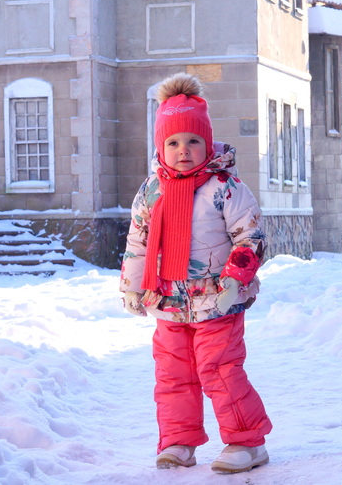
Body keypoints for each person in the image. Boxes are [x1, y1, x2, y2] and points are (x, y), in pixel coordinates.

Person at [119, 72, 272, 474]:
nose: (183, 150)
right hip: (168, 300)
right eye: (172, 142)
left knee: (218, 369)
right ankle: (178, 441)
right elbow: (138, 239)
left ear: (207, 143)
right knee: (173, 374)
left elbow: (250, 237)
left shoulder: (225, 187)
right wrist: (132, 286)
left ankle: (247, 441)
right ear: (160, 146)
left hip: (218, 300)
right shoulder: (151, 190)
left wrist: (235, 280)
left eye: (192, 141)